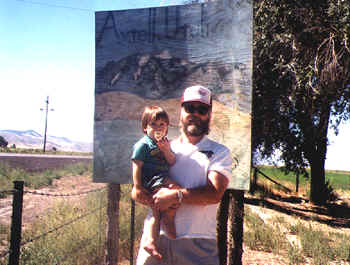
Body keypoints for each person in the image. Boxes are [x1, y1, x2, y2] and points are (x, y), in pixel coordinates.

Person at [132, 85, 233, 265]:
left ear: (209, 115)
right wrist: (140, 192)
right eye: (189, 108)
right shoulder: (162, 148)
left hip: (198, 244)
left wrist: (176, 196)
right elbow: (140, 184)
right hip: (155, 239)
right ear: (181, 113)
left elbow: (214, 193)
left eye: (202, 109)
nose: (195, 113)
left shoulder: (220, 152)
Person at [131, 105, 181, 260]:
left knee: (164, 203)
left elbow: (172, 161)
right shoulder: (143, 145)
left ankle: (158, 232)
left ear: (167, 128)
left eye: (162, 125)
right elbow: (136, 166)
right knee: (164, 201)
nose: (158, 128)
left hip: (161, 178)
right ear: (145, 128)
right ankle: (163, 227)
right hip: (151, 180)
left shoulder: (165, 143)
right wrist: (138, 187)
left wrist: (166, 150)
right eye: (153, 124)